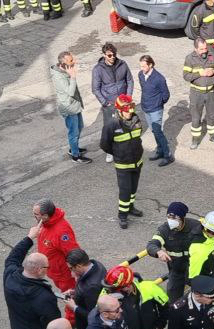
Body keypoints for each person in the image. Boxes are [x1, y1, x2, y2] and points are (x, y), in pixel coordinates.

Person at [3, 224, 62, 329]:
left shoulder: (10, 276)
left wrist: (29, 238)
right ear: (38, 270)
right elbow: (54, 325)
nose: (47, 270)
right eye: (46, 267)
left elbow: (12, 257)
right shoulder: (43, 298)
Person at [100, 93, 145, 229]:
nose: (129, 114)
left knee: (133, 189)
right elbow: (104, 144)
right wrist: (118, 154)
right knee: (125, 191)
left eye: (131, 111)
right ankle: (122, 215)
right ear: (119, 110)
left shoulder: (136, 120)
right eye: (126, 112)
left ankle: (130, 208)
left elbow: (138, 137)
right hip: (123, 165)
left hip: (137, 162)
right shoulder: (112, 125)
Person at [104, 265, 168, 329]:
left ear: (128, 285)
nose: (115, 292)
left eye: (118, 289)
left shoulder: (149, 287)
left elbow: (165, 307)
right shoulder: (105, 296)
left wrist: (160, 325)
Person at [147, 201, 202, 297]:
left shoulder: (196, 226)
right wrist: (158, 251)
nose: (171, 220)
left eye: (174, 218)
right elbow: (152, 244)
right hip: (177, 270)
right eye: (169, 217)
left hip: (195, 268)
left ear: (182, 218)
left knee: (201, 295)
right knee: (172, 296)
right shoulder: (164, 230)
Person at [32, 199, 80, 305]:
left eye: (36, 214)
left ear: (45, 216)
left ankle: (73, 319)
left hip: (64, 275)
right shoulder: (45, 223)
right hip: (55, 272)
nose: (34, 216)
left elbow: (74, 253)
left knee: (71, 299)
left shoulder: (62, 231)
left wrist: (77, 274)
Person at [183, 37, 214, 149]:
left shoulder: (212, 56)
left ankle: (213, 136)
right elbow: (186, 76)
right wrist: (201, 73)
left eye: (205, 48)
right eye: (201, 49)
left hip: (211, 91)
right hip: (196, 93)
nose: (204, 51)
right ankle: (195, 139)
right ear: (195, 49)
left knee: (212, 115)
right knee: (196, 118)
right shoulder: (189, 59)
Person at [51, 51, 91, 162]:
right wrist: (73, 77)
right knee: (74, 132)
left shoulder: (65, 69)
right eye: (71, 60)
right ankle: (75, 155)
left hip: (74, 105)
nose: (74, 62)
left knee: (80, 127)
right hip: (68, 108)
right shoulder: (59, 77)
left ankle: (74, 148)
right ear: (63, 64)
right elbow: (71, 92)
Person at [137, 55, 172, 165]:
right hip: (146, 108)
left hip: (156, 109)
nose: (141, 68)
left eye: (143, 66)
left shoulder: (159, 78)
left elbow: (166, 95)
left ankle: (168, 155)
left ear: (150, 65)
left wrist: (158, 103)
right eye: (140, 66)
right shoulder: (140, 75)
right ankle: (160, 151)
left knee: (158, 132)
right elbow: (144, 90)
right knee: (154, 131)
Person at [92, 42, 133, 131]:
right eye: (109, 55)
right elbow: (95, 89)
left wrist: (128, 96)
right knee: (111, 127)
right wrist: (105, 103)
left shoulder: (123, 64)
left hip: (124, 102)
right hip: (110, 104)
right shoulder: (98, 69)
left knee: (126, 125)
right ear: (104, 55)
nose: (113, 57)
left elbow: (129, 81)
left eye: (114, 54)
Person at [65, 249, 105, 329]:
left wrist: (74, 307)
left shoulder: (91, 287)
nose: (71, 273)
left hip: (89, 327)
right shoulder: (96, 264)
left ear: (79, 266)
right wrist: (75, 292)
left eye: (71, 268)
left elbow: (93, 315)